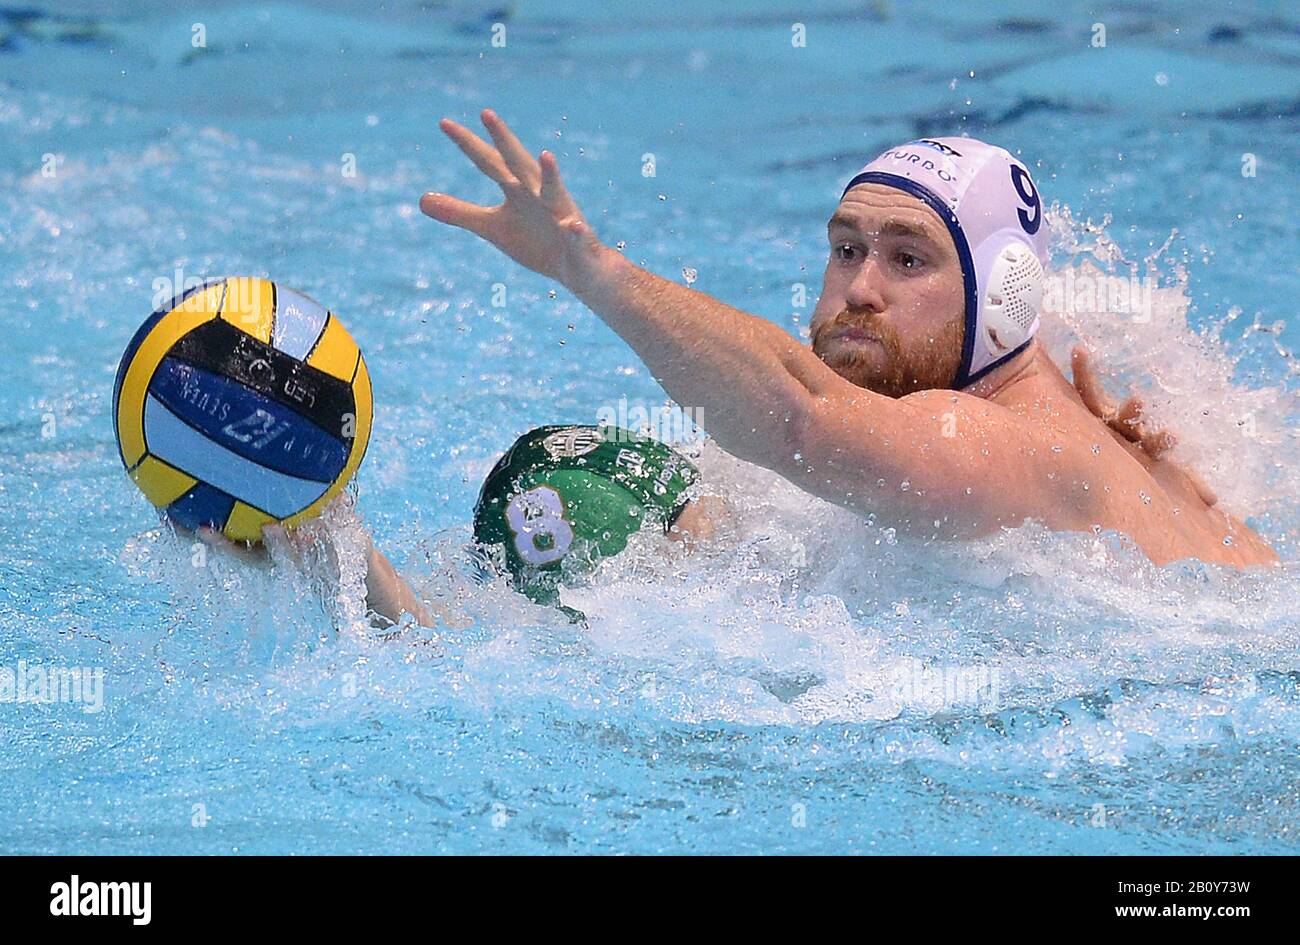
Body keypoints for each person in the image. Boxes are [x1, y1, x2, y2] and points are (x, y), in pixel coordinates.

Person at [414, 111, 1277, 573]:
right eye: (846, 248)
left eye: (909, 259)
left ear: (1004, 299)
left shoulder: (999, 445)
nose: (860, 287)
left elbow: (799, 418)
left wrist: (588, 266)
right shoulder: (1045, 407)